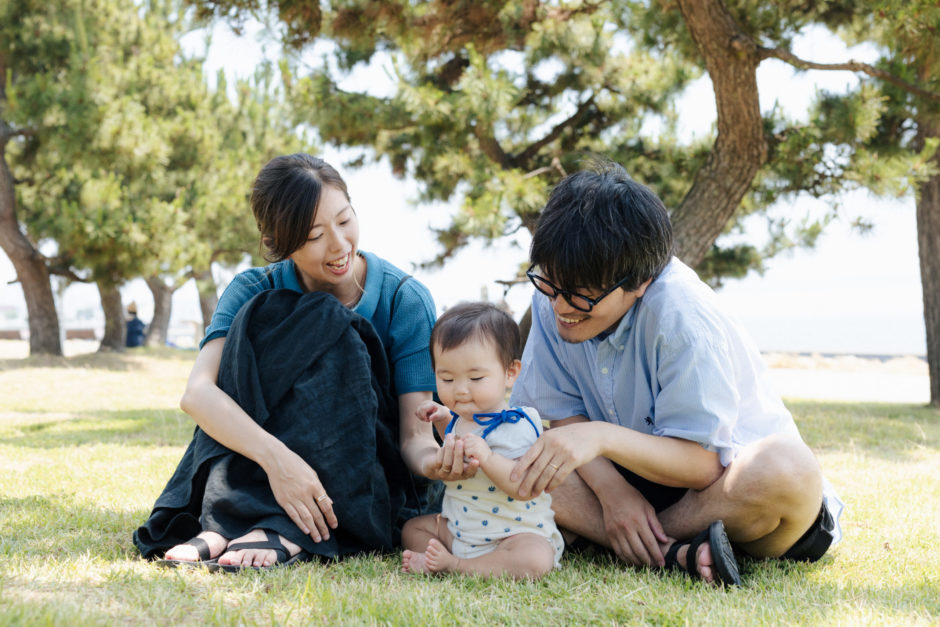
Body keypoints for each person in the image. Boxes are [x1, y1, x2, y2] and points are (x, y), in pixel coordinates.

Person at [508, 162, 842, 586]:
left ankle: (627, 540)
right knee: (505, 448)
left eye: (581, 296)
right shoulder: (556, 295)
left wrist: (600, 437)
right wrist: (614, 494)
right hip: (634, 483)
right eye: (550, 284)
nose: (559, 306)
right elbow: (561, 413)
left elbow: (702, 464)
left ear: (641, 281)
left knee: (787, 467)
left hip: (731, 491)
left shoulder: (682, 315)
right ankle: (672, 553)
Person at [133, 154, 472, 571]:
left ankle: (278, 526)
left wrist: (437, 462)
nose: (340, 244)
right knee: (261, 315)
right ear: (280, 240)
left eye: (345, 220)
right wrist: (281, 463)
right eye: (315, 235)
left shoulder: (405, 299)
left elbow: (414, 437)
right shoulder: (252, 288)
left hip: (363, 474)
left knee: (329, 319)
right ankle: (226, 518)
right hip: (263, 470)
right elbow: (198, 394)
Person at [401, 302, 564, 579]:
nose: (460, 390)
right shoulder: (461, 417)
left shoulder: (518, 424)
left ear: (510, 373)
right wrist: (442, 419)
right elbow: (456, 444)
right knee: (412, 529)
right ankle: (443, 559)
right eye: (447, 379)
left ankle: (455, 566)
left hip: (511, 535)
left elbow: (523, 487)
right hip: (459, 529)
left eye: (475, 378)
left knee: (536, 559)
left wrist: (488, 458)